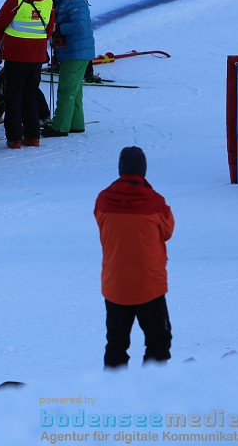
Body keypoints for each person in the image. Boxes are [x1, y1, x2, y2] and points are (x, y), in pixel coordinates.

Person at [94, 146, 175, 368]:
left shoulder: (103, 201)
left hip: (115, 286)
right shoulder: (155, 203)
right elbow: (168, 231)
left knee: (116, 346)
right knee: (159, 342)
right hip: (149, 286)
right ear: (144, 170)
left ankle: (114, 395)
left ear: (120, 169)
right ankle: (151, 392)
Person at [0, 0, 53, 149]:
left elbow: (0, 21)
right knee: (30, 95)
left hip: (16, 56)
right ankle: (32, 137)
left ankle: (14, 138)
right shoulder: (47, 1)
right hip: (37, 57)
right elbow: (49, 30)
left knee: (13, 98)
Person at [42, 0, 94, 137]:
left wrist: (58, 28)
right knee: (75, 90)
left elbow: (80, 25)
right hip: (76, 51)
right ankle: (75, 123)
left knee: (66, 89)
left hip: (76, 52)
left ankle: (60, 126)